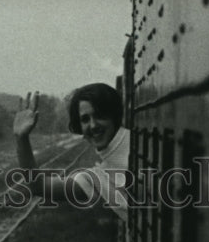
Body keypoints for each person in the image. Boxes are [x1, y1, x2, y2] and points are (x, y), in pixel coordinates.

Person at [13, 83, 130, 220]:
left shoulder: (136, 144)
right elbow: (39, 186)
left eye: (100, 115)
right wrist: (21, 138)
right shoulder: (99, 178)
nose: (93, 125)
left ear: (114, 116)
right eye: (85, 119)